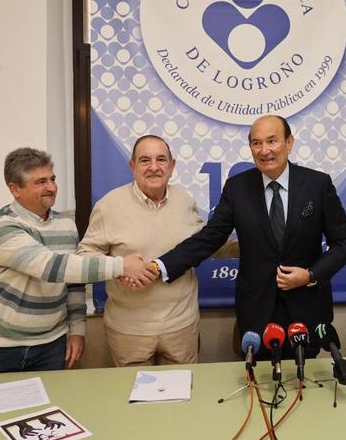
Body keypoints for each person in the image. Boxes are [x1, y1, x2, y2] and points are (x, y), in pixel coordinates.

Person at [150, 115, 346, 359]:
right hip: (257, 313)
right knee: (259, 388)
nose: (264, 150)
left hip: (306, 308)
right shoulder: (237, 188)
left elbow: (344, 242)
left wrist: (310, 276)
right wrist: (161, 266)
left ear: (289, 143)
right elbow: (210, 237)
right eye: (256, 143)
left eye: (272, 141)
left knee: (304, 385)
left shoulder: (317, 184)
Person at [0, 148, 155, 374]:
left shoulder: (66, 225)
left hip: (51, 345)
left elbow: (73, 283)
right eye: (40, 182)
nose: (52, 188)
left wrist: (77, 331)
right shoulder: (1, 227)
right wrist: (122, 266)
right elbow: (53, 268)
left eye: (53, 179)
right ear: (15, 189)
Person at [78, 135, 236, 366]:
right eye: (145, 160)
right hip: (129, 331)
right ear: (132, 166)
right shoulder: (108, 205)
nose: (154, 167)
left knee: (184, 397)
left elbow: (200, 244)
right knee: (134, 399)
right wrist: (120, 269)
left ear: (172, 167)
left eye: (161, 160)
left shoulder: (185, 199)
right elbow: (84, 257)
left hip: (181, 327)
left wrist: (250, 243)